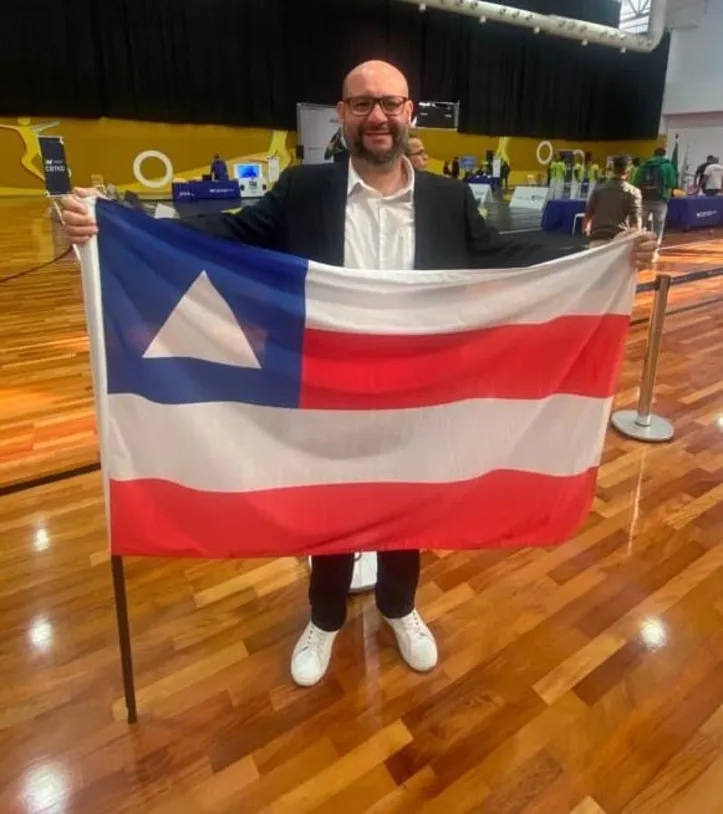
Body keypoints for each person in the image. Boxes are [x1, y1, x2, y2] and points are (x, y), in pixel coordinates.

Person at [58, 59, 656, 689]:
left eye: (391, 104)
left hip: (422, 388)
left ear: (410, 113)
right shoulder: (303, 189)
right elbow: (222, 236)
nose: (379, 116)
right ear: (342, 115)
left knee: (410, 501)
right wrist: (118, 223)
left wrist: (600, 253)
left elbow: (503, 256)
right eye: (363, 104)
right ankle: (324, 616)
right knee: (330, 500)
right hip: (328, 390)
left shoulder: (449, 198)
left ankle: (399, 607)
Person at [584, 156, 642, 247]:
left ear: (613, 169)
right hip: (619, 238)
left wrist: (586, 227)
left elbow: (589, 212)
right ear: (628, 171)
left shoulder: (599, 188)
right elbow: (635, 220)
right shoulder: (633, 192)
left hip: (597, 236)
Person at [633, 147, 678, 253]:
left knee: (641, 224)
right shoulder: (668, 166)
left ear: (653, 154)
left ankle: (639, 246)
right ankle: (654, 249)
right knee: (658, 225)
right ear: (664, 155)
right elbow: (672, 183)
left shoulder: (644, 165)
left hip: (644, 199)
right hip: (660, 200)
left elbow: (635, 183)